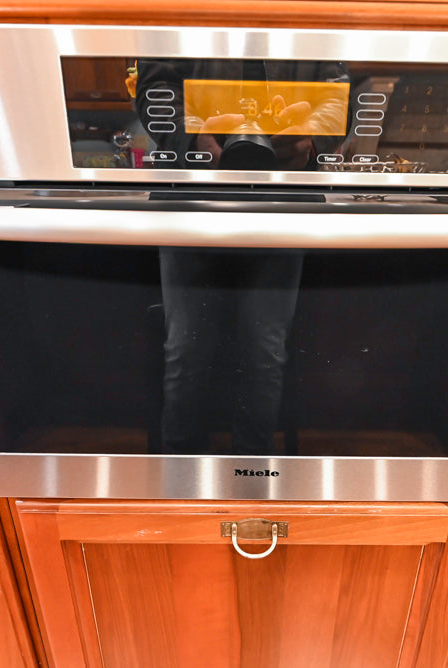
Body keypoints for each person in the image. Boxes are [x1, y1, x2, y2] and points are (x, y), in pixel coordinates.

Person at [133, 58, 349, 454]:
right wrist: (192, 139)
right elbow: (155, 87)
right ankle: (191, 479)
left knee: (251, 353)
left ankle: (242, 478)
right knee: (196, 353)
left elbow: (336, 98)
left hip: (275, 200)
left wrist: (312, 138)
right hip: (195, 197)